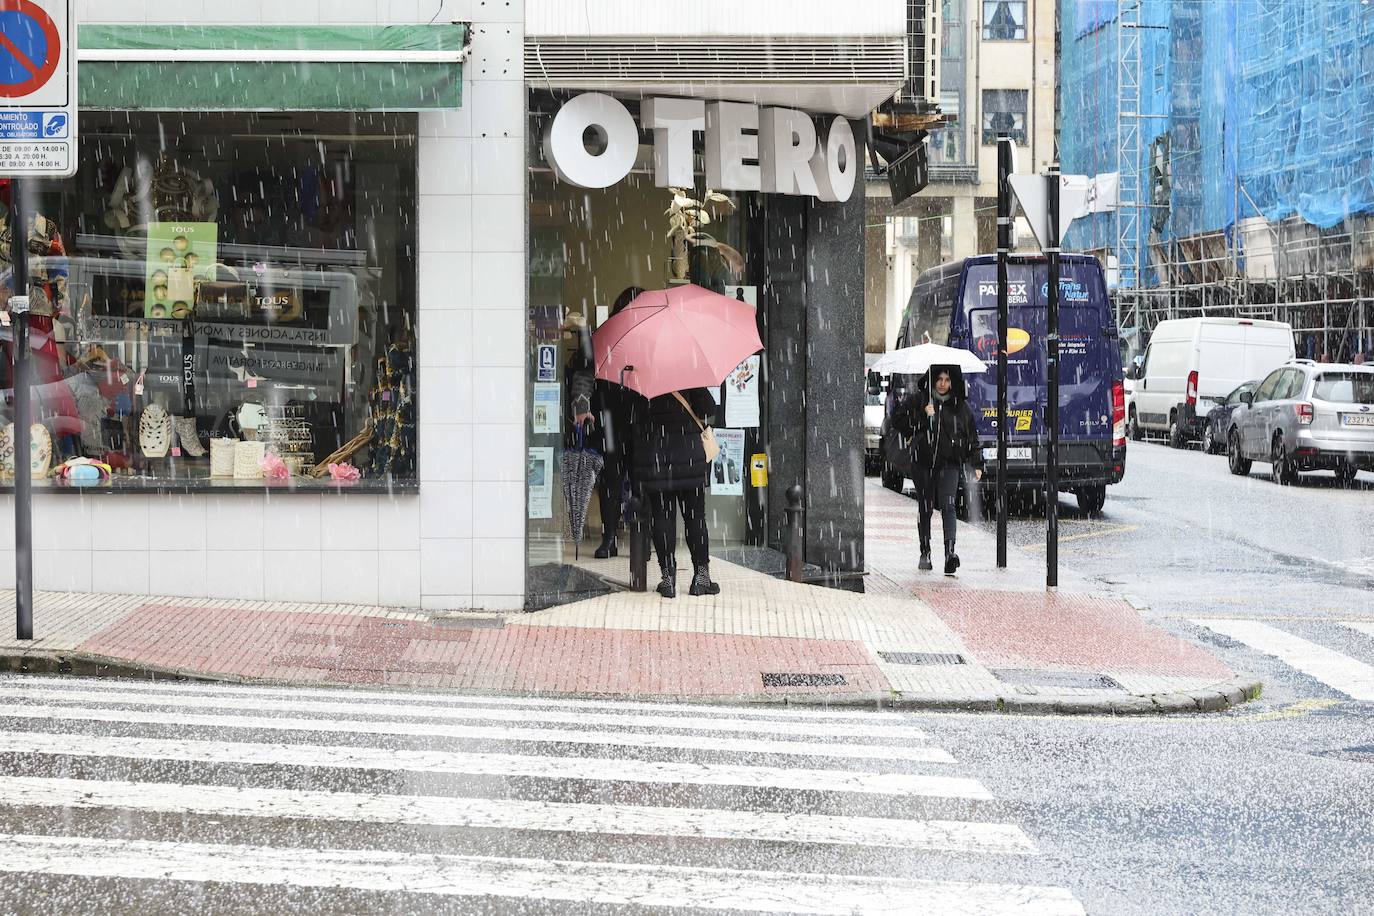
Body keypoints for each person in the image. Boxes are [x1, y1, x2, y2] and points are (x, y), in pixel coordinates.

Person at [629, 386, 720, 598]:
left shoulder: (644, 379)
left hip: (657, 459)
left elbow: (634, 419)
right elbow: (707, 409)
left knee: (662, 518)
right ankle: (701, 578)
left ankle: (668, 578)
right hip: (689, 459)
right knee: (696, 519)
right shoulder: (689, 373)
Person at [913, 366, 984, 576]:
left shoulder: (961, 407)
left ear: (953, 382)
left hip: (949, 463)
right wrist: (924, 415)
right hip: (924, 464)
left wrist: (976, 463)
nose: (943, 384)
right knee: (925, 508)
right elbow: (904, 425)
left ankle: (950, 554)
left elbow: (972, 437)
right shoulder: (922, 401)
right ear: (933, 381)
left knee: (949, 505)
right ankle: (925, 551)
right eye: (939, 379)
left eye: (947, 379)